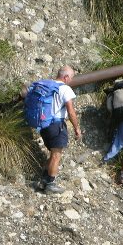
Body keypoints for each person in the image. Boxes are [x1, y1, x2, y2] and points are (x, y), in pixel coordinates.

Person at [36, 65, 82, 194]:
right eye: (71, 78)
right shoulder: (65, 89)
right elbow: (71, 111)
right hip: (56, 126)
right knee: (56, 155)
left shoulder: (47, 85)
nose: (71, 81)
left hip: (44, 125)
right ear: (66, 77)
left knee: (53, 153)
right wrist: (77, 128)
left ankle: (43, 181)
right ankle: (51, 183)